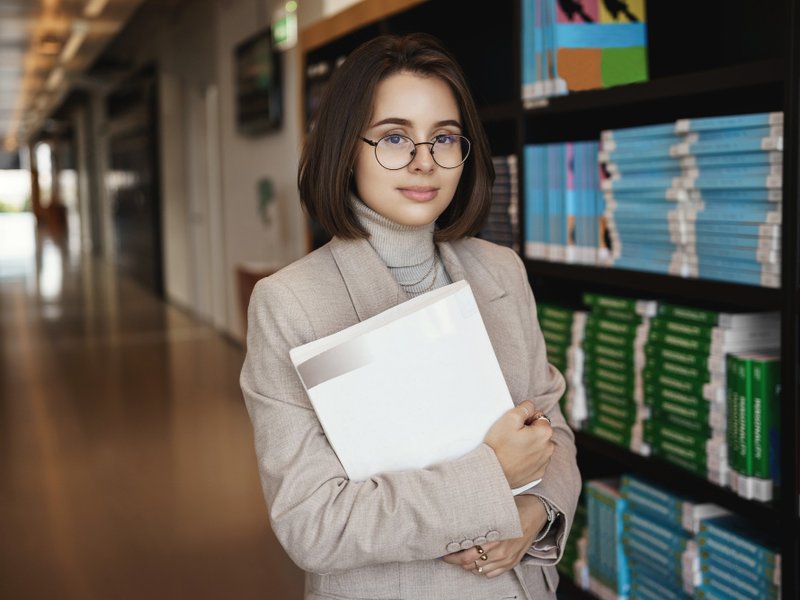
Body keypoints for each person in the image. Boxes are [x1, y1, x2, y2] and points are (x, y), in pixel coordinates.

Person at [240, 32, 581, 600]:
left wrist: (534, 513)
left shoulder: (501, 270)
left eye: (443, 138)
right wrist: (493, 478)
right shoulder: (289, 303)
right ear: (346, 148)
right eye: (395, 137)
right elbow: (312, 523)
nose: (424, 162)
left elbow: (554, 430)